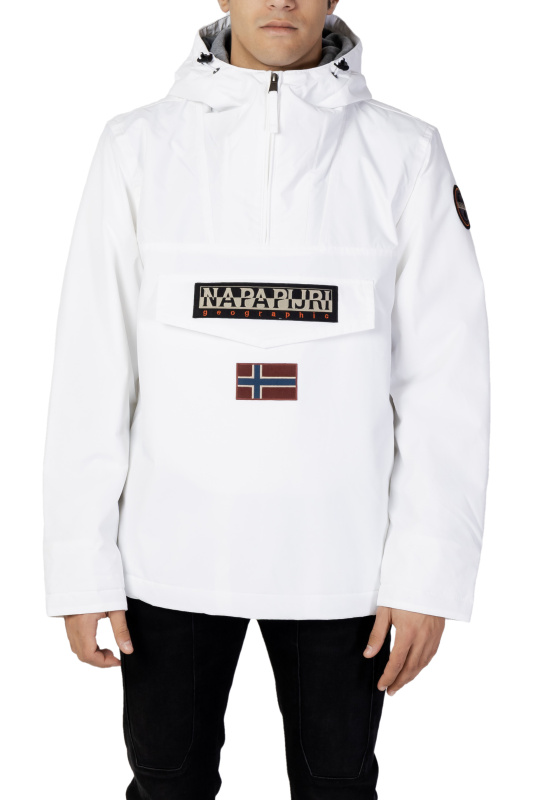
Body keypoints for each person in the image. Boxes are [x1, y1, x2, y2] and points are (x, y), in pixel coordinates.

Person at [42, 1, 491, 798]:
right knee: (166, 783)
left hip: (343, 561)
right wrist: (82, 569)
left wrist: (427, 577)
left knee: (336, 786)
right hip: (168, 556)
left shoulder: (405, 152)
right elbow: (93, 366)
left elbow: (444, 379)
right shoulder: (137, 147)